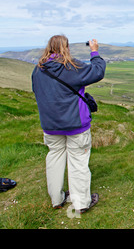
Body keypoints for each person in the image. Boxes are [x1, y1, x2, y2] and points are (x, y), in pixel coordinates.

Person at [32, 35, 106, 213]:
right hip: (76, 124)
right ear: (66, 48)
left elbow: (37, 91)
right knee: (78, 161)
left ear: (49, 47)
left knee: (54, 158)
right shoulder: (72, 67)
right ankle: (81, 204)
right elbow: (98, 71)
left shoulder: (38, 70)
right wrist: (94, 51)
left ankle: (57, 199)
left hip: (50, 125)